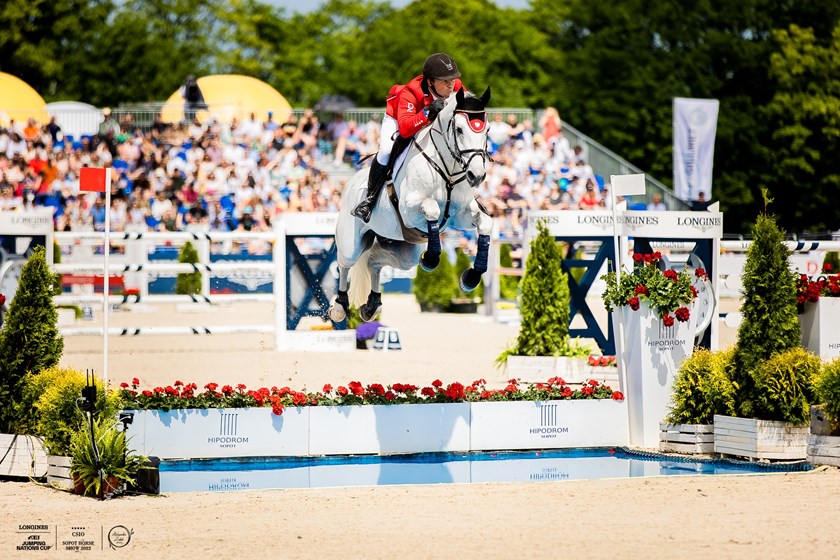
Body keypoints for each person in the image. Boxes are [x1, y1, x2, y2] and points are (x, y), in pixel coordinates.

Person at [351, 53, 464, 223]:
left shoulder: (456, 86)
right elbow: (404, 130)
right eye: (445, 81)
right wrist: (427, 112)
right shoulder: (411, 92)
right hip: (399, 118)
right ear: (430, 82)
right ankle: (369, 199)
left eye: (452, 80)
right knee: (386, 150)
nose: (451, 85)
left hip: (428, 121)